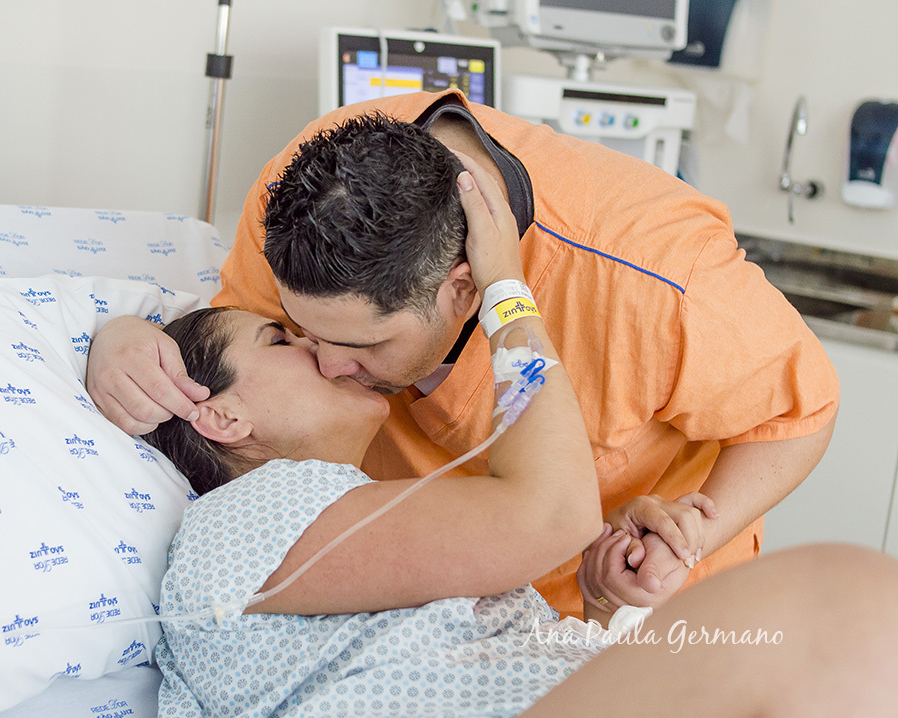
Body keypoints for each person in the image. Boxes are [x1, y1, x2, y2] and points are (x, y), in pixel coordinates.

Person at [141, 165, 898, 717]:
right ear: (220, 417)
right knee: (844, 604)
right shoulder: (237, 524)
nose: (323, 351)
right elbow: (554, 518)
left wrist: (599, 605)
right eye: (282, 338)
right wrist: (508, 290)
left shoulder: (341, 517)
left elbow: (486, 657)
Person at [87, 89, 840, 618]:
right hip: (435, 580)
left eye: (363, 346)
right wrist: (128, 336)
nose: (325, 363)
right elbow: (231, 339)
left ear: (464, 287)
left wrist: (692, 532)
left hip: (623, 596)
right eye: (296, 331)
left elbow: (797, 412)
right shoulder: (309, 198)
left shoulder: (657, 279)